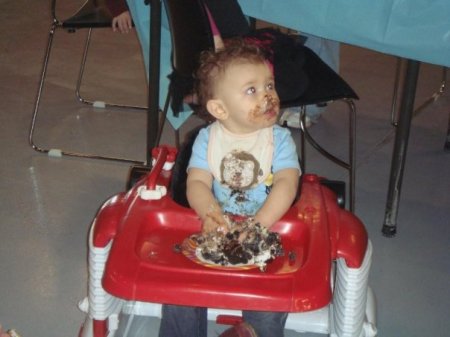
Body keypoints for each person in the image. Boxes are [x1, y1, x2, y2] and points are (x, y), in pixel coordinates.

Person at [158, 39, 301, 337]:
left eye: (269, 86)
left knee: (269, 295)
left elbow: (287, 184)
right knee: (179, 285)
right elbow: (197, 182)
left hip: (268, 226)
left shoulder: (279, 140)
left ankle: (251, 331)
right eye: (252, 90)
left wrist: (259, 224)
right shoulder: (207, 140)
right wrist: (210, 213)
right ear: (219, 109)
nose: (268, 96)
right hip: (216, 228)